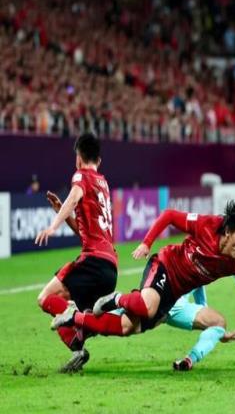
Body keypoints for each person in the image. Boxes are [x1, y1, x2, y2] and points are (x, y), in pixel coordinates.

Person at [52, 201, 235, 360]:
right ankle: (116, 299)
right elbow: (169, 215)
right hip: (164, 266)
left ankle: (74, 317)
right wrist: (147, 243)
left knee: (128, 327)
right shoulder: (206, 225)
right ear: (228, 232)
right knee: (147, 307)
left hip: (174, 294)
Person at [35, 133, 117, 372]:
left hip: (93, 262)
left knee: (45, 298)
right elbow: (85, 232)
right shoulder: (103, 184)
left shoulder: (81, 176)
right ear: (99, 160)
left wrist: (53, 226)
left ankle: (77, 329)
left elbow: (73, 198)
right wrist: (61, 210)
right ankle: (78, 342)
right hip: (109, 269)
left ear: (79, 157)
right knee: (83, 317)